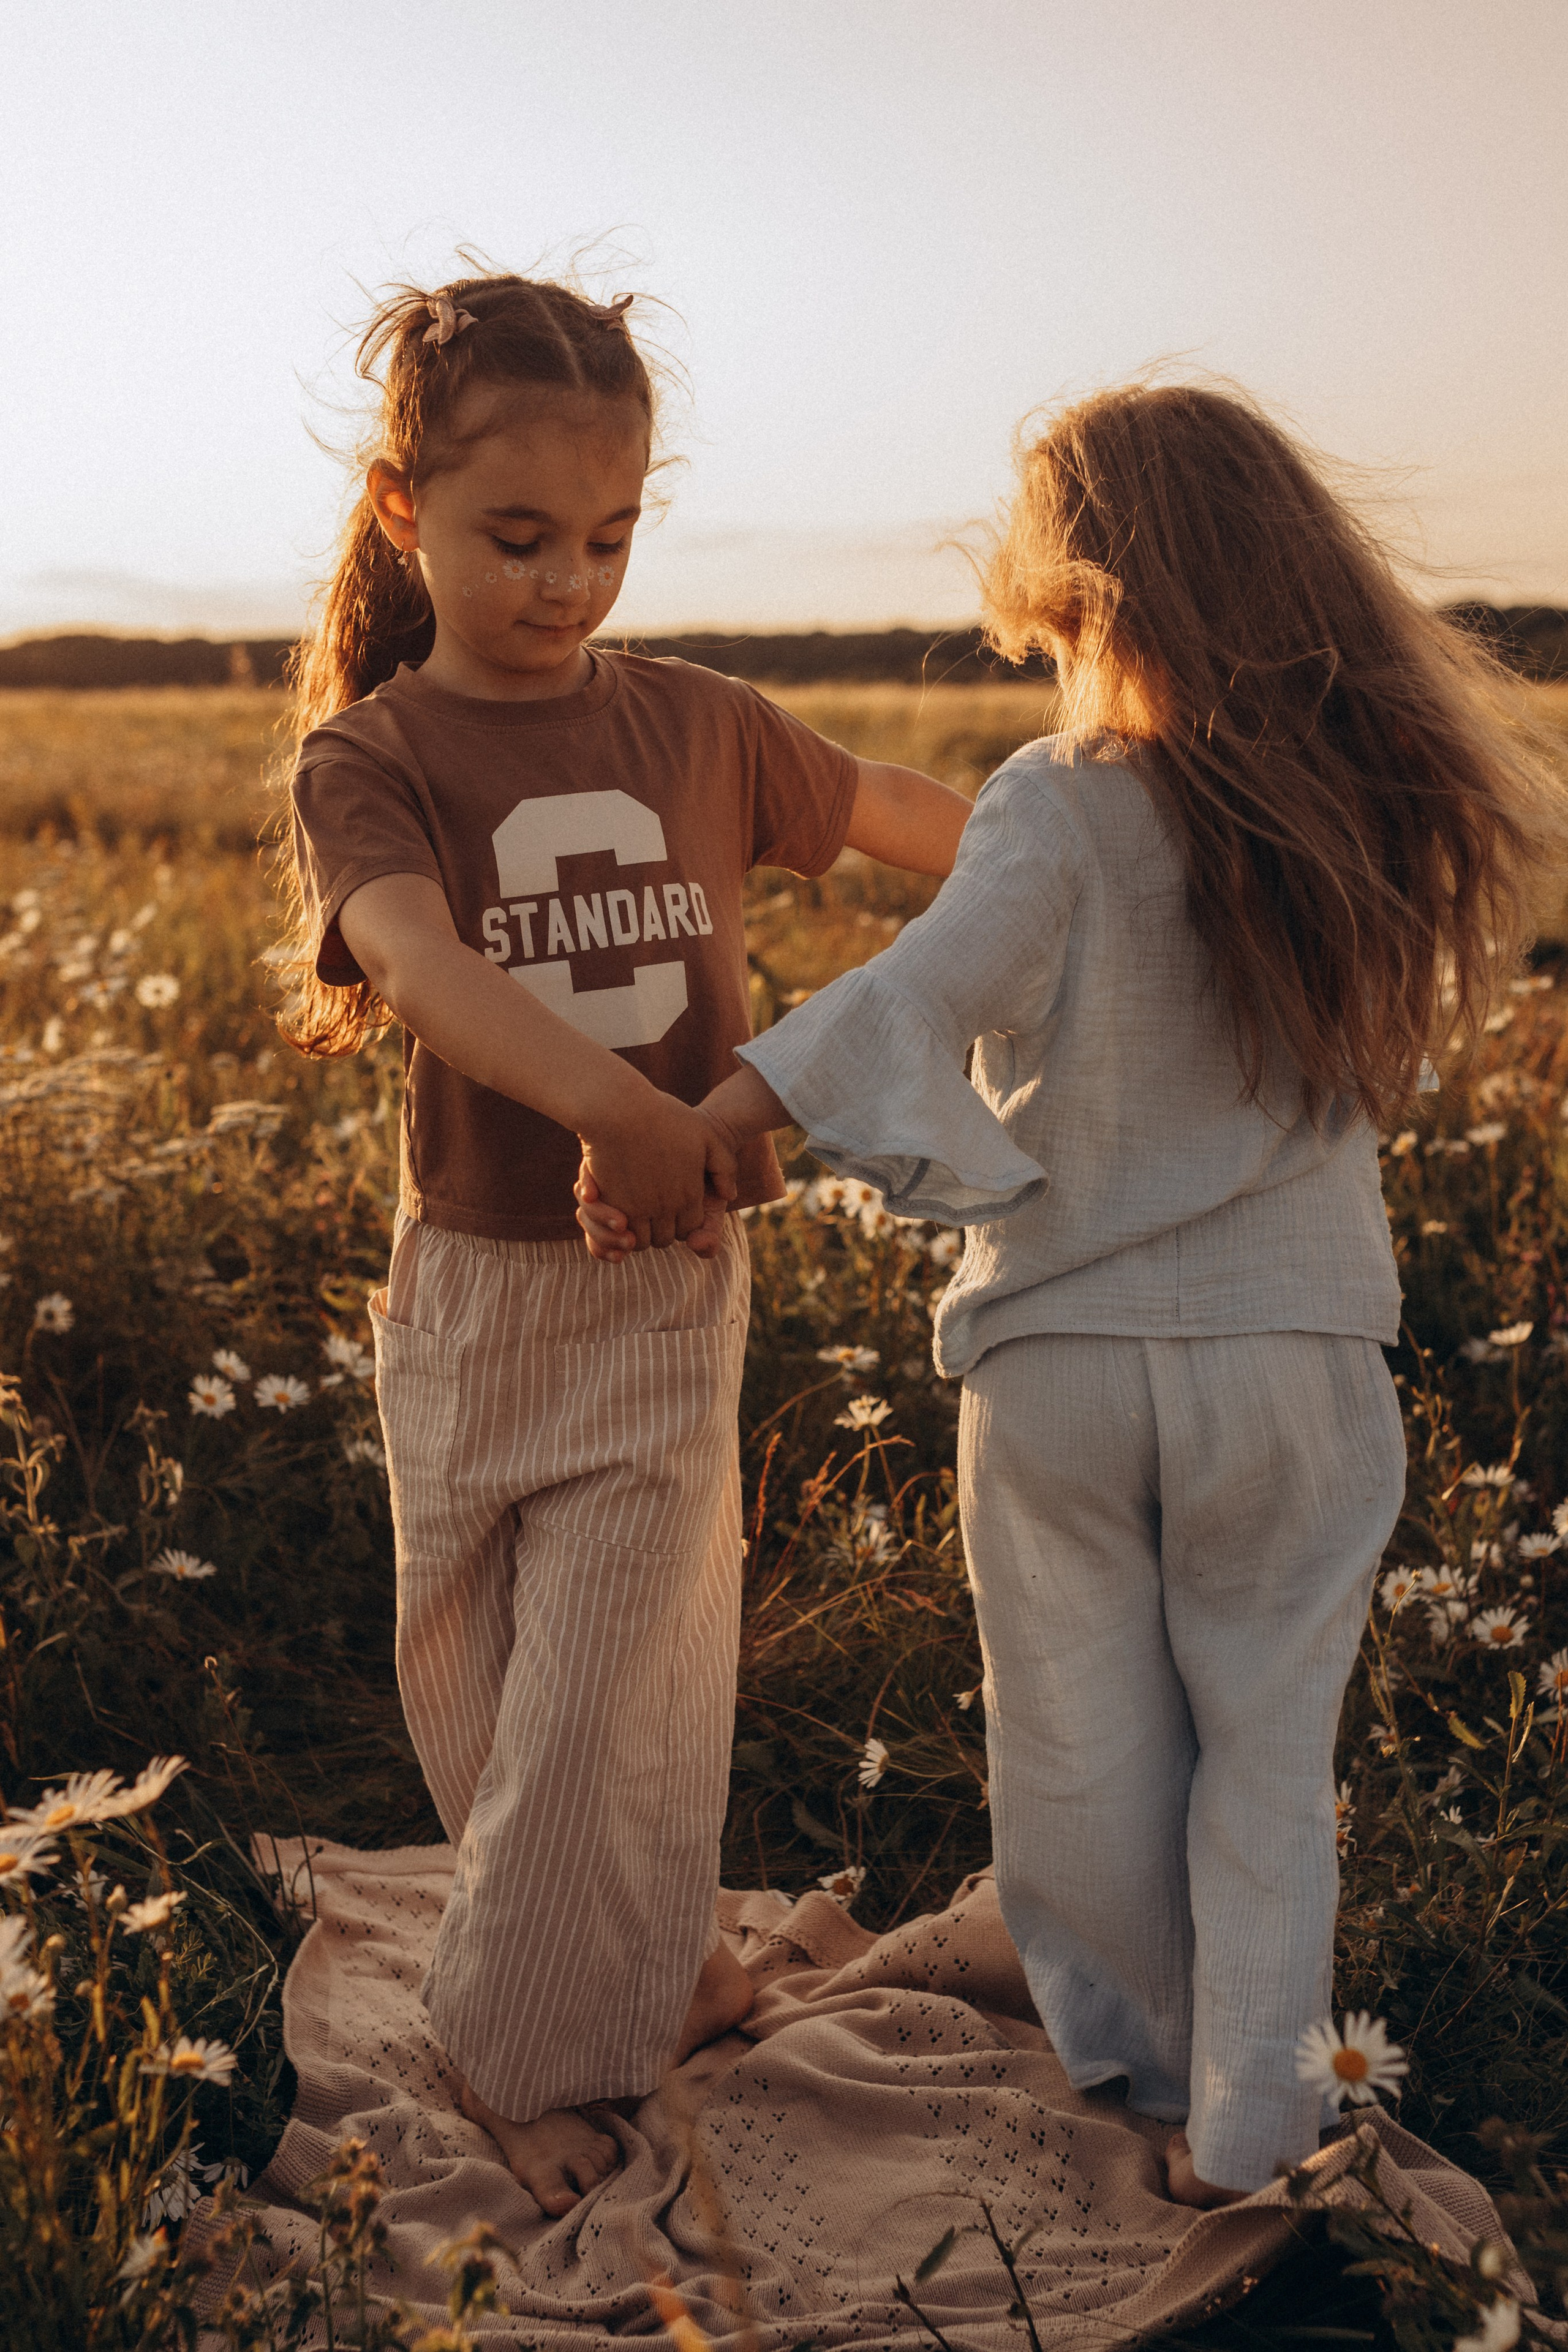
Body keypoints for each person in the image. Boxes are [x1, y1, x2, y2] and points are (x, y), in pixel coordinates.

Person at [579, 382, 1561, 2203]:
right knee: (1269, 1757)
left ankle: (1146, 2065)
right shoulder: (1379, 804)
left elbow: (910, 999)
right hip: (1295, 1360)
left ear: (1085, 594)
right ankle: (1249, 2138)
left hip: (1064, 1358)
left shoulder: (1061, 804)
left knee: (1083, 1763)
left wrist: (715, 1122)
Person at [278, 270, 973, 2217]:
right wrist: (623, 1111)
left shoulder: (698, 724)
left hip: (663, 1293)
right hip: (474, 1290)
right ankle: (638, 1958)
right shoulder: (375, 756)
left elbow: (913, 816)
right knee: (483, 1685)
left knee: (610, 1682)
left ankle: (540, 2058)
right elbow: (415, 959)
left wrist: (1094, 835)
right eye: (519, 538)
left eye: (610, 536)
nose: (571, 581)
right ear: (404, 505)